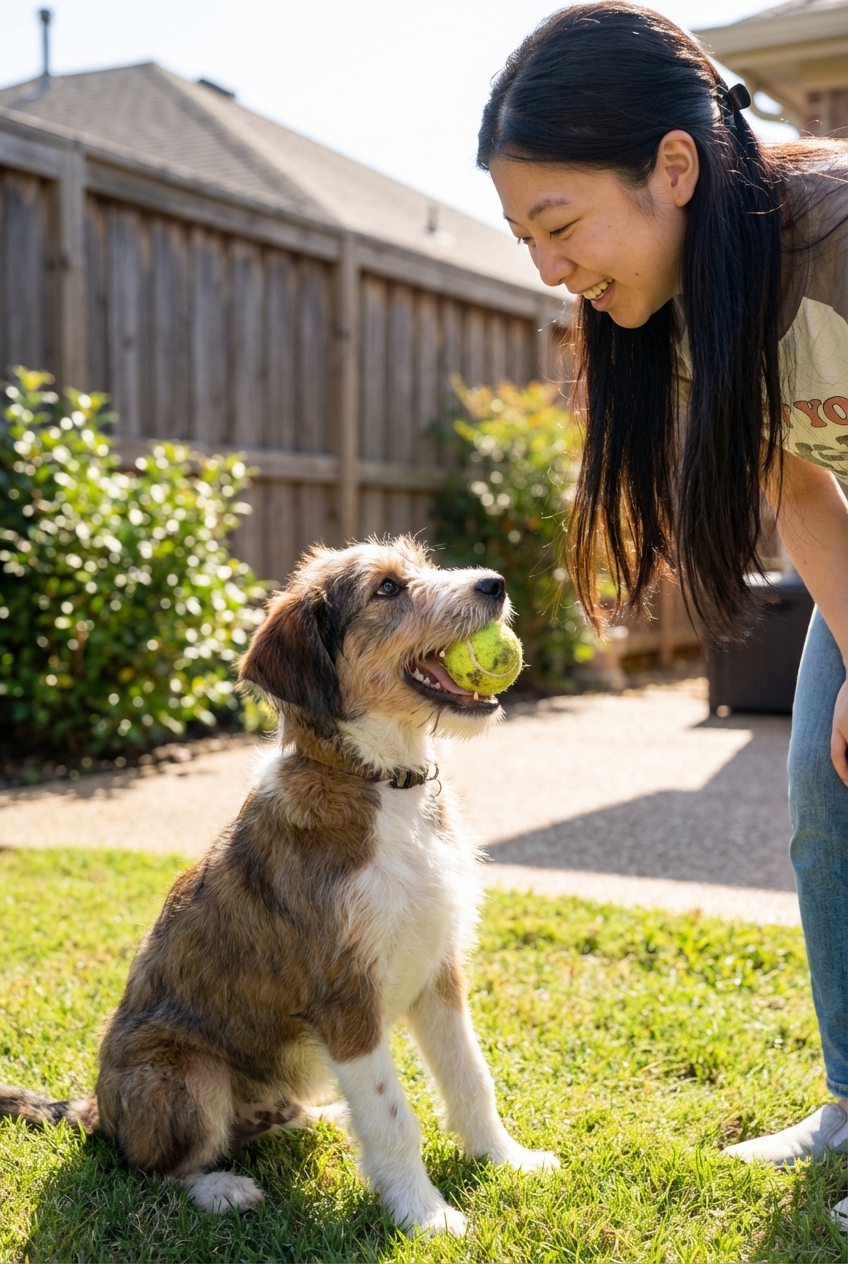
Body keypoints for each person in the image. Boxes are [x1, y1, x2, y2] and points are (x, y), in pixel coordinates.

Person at [478, 1, 848, 1174]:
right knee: (821, 782)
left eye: (560, 223)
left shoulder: (836, 241)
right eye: (522, 239)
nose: (549, 269)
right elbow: (797, 490)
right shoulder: (689, 308)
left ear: (671, 167)